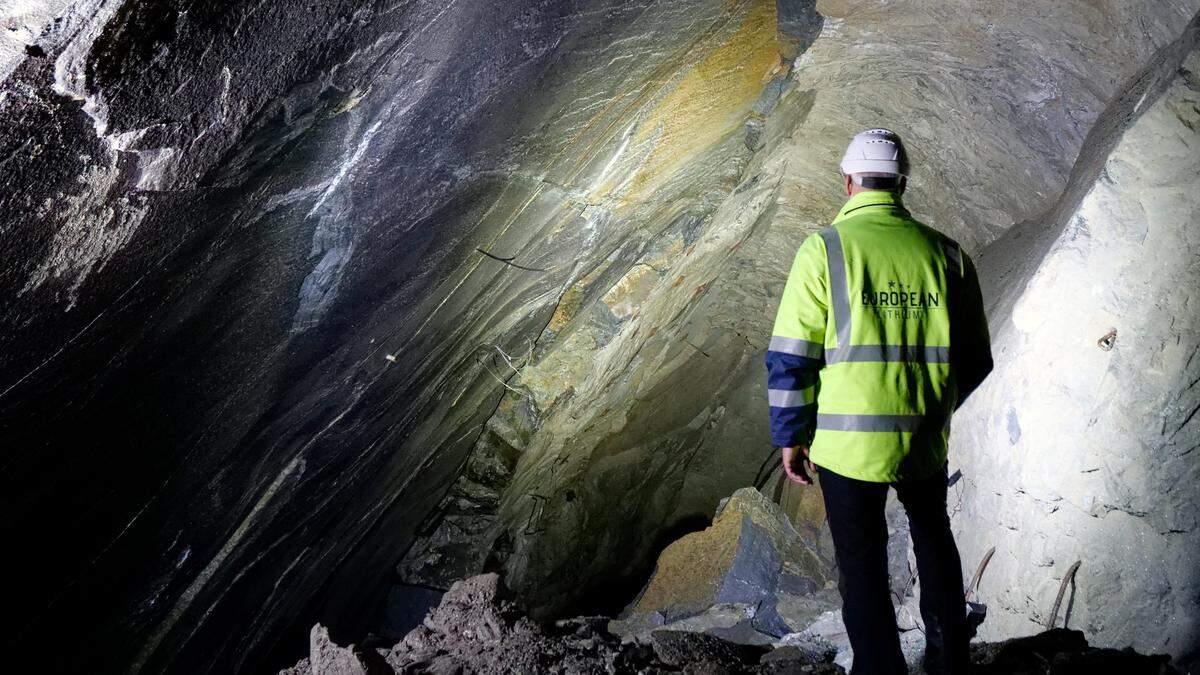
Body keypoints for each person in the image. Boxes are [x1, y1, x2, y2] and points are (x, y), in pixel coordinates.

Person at [764, 128, 993, 675]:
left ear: (848, 182)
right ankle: (949, 660)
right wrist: (933, 407)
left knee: (862, 565)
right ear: (902, 184)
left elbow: (792, 356)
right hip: (922, 439)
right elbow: (977, 360)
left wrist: (791, 436)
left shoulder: (824, 250)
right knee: (934, 537)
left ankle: (879, 669)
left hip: (845, 445)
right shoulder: (948, 254)